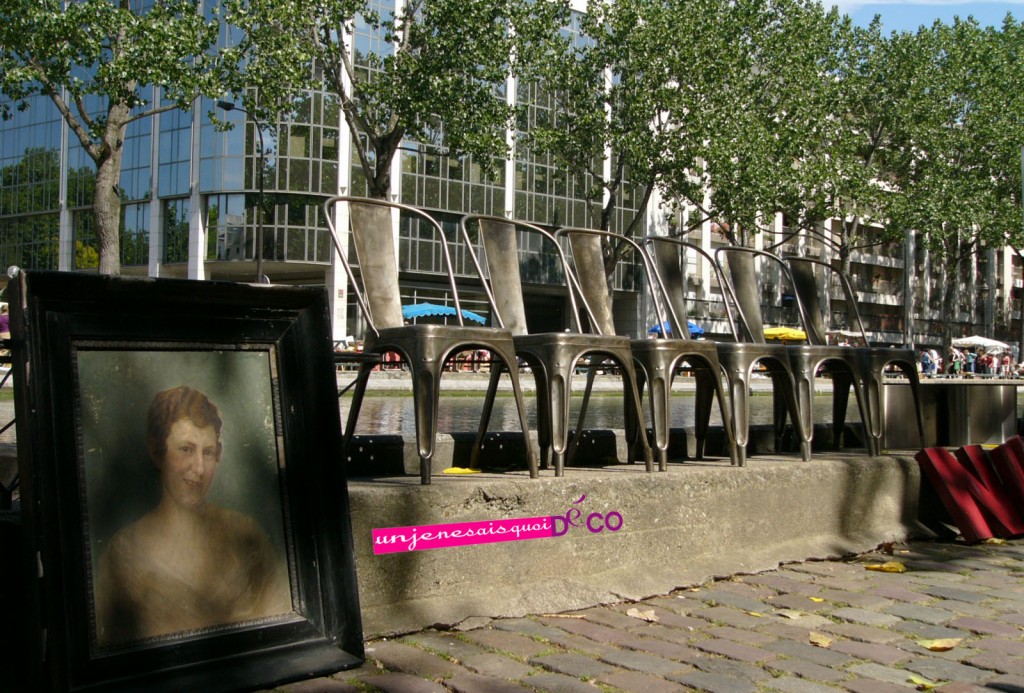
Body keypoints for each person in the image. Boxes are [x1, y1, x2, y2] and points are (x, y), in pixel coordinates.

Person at [94, 386, 291, 647]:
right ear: (157, 452)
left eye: (208, 452)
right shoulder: (124, 551)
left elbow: (280, 621)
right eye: (186, 449)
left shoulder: (246, 533)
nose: (198, 468)